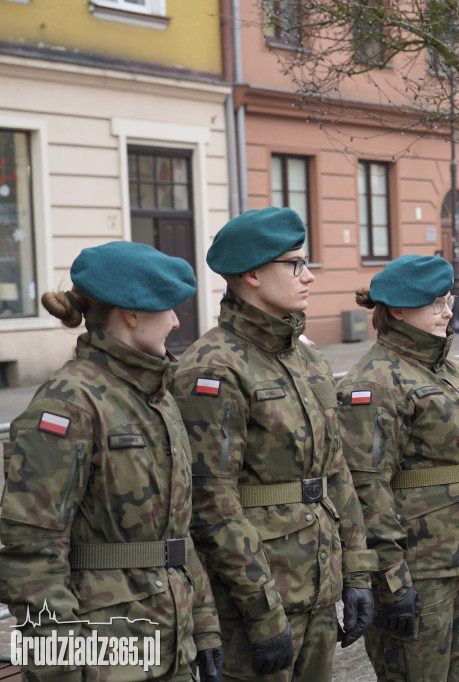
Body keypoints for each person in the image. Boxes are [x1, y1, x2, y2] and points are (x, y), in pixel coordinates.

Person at [0, 241, 224, 681]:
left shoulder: (156, 397)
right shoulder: (69, 403)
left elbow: (177, 533)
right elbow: (30, 552)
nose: (177, 321)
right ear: (133, 313)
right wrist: (59, 669)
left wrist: (205, 628)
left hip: (169, 640)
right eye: (168, 308)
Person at [171, 207, 376, 681]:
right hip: (257, 598)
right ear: (252, 274)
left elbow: (336, 472)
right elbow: (210, 503)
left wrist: (358, 571)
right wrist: (262, 610)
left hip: (319, 585)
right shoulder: (213, 367)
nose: (308, 276)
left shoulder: (306, 359)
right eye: (295, 264)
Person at [336, 255, 459, 681]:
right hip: (419, 568)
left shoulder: (454, 370)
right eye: (435, 304)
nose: (448, 312)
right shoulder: (374, 383)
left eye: (448, 300)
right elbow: (365, 491)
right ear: (398, 311)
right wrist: (392, 580)